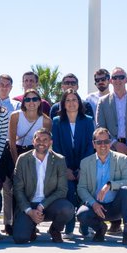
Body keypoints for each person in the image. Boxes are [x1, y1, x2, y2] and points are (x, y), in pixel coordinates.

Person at [11, 128, 73, 243]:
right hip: (29, 204)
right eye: (38, 139)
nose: (41, 143)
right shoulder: (23, 159)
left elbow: (62, 190)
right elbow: (18, 189)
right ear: (33, 141)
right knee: (20, 238)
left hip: (49, 204)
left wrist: (42, 205)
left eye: (45, 140)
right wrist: (29, 211)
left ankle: (55, 230)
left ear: (50, 143)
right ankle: (31, 228)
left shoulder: (59, 160)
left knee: (67, 209)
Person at [77, 127, 127, 243]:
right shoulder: (85, 163)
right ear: (94, 144)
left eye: (106, 141)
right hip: (97, 207)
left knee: (126, 190)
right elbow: (81, 188)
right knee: (82, 214)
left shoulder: (122, 159)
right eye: (99, 142)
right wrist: (93, 203)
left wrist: (110, 185)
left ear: (110, 142)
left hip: (116, 206)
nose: (103, 145)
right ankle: (100, 229)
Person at [51, 88, 94, 235]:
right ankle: (69, 226)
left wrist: (83, 168)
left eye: (74, 100)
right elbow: (55, 147)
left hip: (84, 165)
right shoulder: (57, 122)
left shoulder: (88, 121)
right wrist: (65, 169)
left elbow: (90, 145)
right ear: (63, 104)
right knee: (69, 191)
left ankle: (84, 226)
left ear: (79, 102)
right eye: (67, 100)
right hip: (65, 166)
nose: (71, 103)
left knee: (83, 192)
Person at [97, 67, 127, 162]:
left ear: (126, 80)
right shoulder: (102, 102)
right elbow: (100, 127)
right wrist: (115, 143)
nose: (118, 80)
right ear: (110, 81)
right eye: (115, 77)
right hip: (110, 150)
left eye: (121, 77)